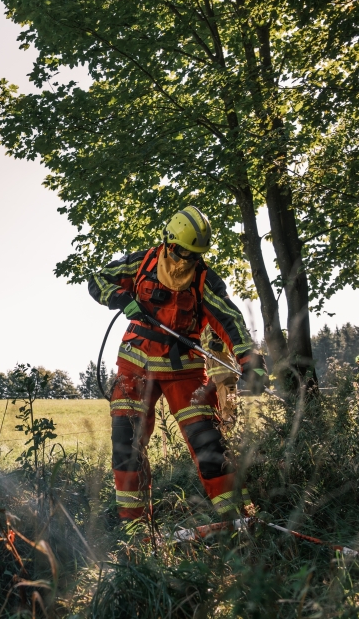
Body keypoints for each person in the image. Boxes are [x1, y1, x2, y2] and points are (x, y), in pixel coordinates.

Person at [88, 206, 267, 523]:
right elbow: (98, 279)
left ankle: (237, 519)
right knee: (126, 444)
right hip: (135, 367)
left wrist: (250, 362)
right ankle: (135, 527)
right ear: (168, 242)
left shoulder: (204, 280)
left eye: (195, 255)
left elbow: (231, 321)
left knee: (208, 443)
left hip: (183, 372)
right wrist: (120, 298)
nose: (187, 260)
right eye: (182, 252)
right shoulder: (141, 262)